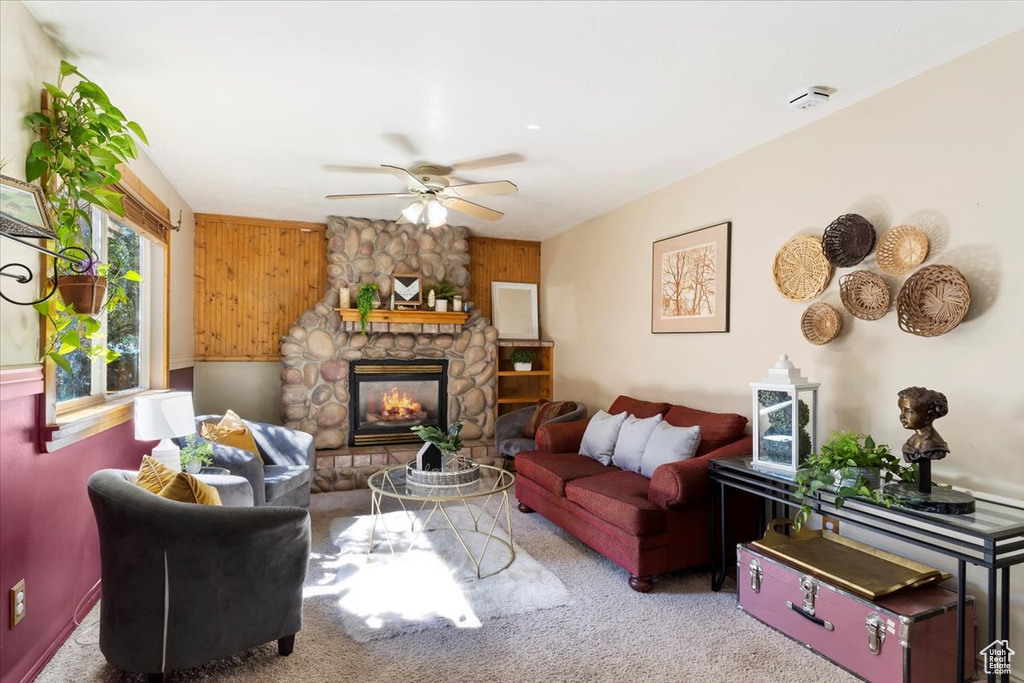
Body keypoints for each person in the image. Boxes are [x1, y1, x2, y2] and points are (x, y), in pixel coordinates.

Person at [897, 386, 949, 463]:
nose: (902, 416)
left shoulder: (932, 443)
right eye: (901, 410)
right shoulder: (912, 440)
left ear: (930, 415)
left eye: (909, 412)